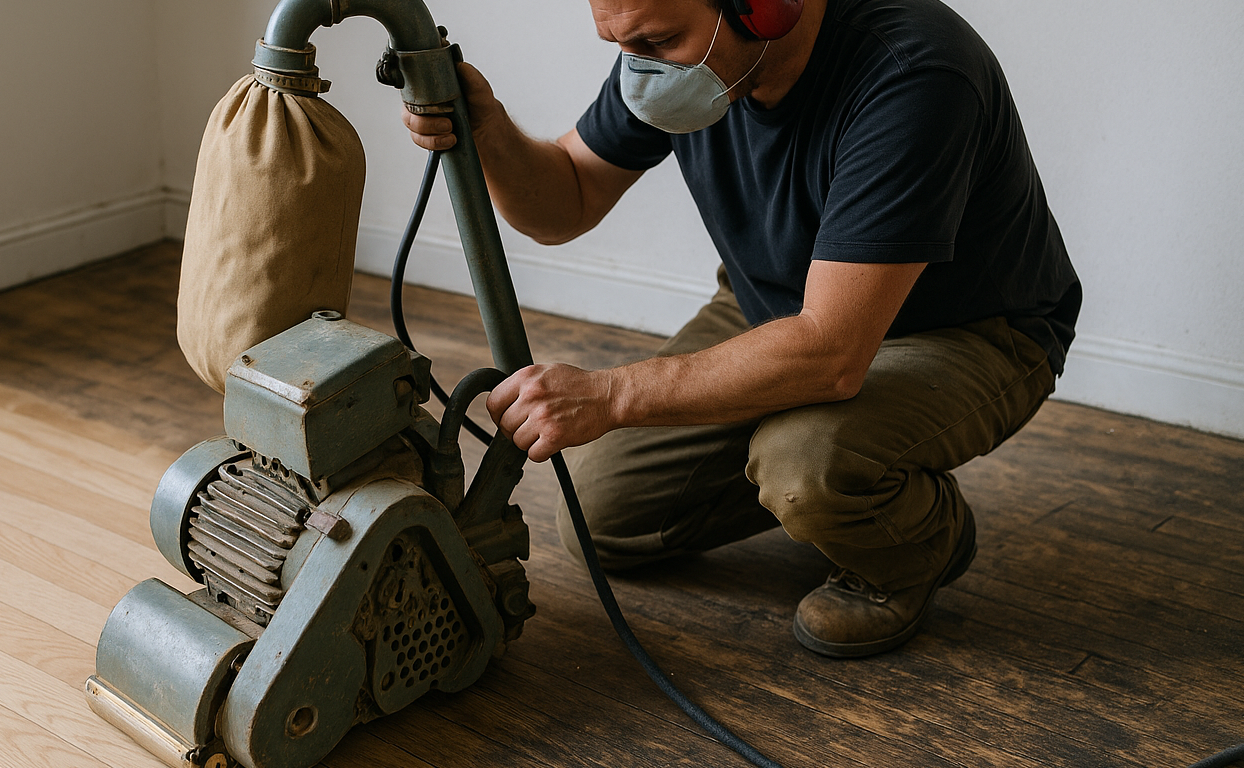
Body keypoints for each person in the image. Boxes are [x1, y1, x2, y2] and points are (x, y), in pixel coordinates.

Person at [404, 0, 1080, 658]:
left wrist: (611, 397)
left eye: (656, 43)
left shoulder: (914, 72)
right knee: (605, 521)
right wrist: (488, 129)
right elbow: (568, 200)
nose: (637, 70)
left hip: (964, 331)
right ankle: (844, 476)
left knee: (802, 464)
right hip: (782, 306)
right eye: (621, 45)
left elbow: (832, 353)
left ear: (763, 7)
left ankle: (917, 543)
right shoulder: (679, 54)